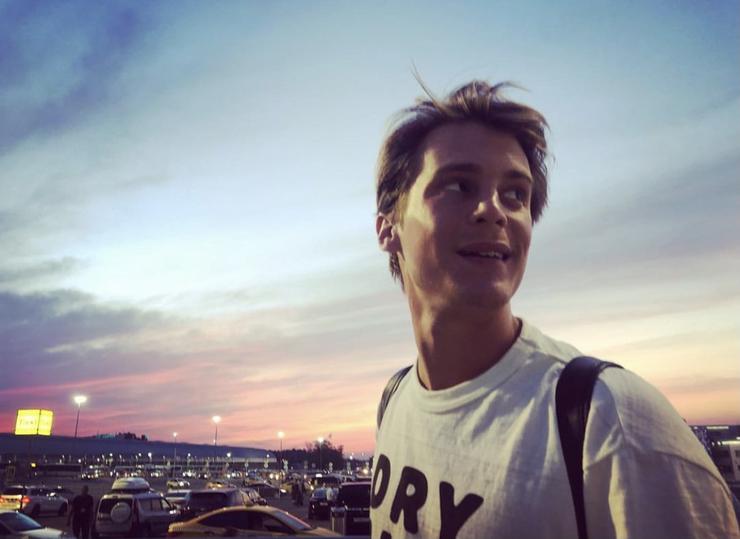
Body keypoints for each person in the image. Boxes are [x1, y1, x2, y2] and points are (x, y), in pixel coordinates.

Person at [369, 80, 740, 539]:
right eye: (459, 185)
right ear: (388, 228)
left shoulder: (613, 426)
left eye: (515, 194)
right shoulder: (396, 401)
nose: (494, 210)